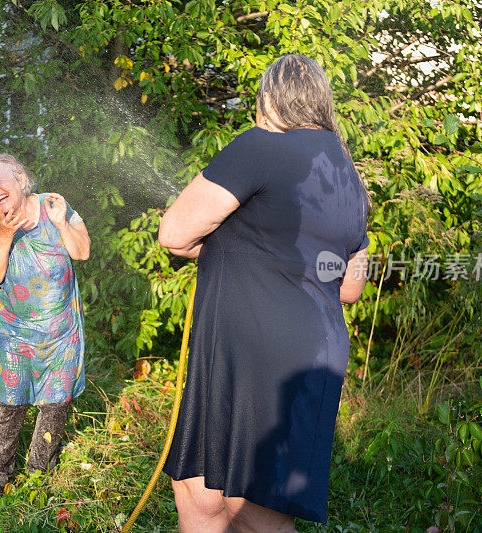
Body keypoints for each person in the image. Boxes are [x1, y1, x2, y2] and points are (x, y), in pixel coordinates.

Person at [158, 54, 370, 531]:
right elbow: (350, 285)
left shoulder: (259, 147)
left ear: (269, 100)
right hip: (316, 351)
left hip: (252, 349)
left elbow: (174, 234)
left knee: (247, 506)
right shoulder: (349, 177)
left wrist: (227, 246)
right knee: (206, 489)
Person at [0, 153, 90, 500]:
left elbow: (82, 252)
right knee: (10, 405)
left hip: (61, 331)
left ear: (20, 179)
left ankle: (39, 473)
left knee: (55, 405)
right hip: (12, 333)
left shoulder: (55, 205)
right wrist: (5, 236)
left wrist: (62, 223)